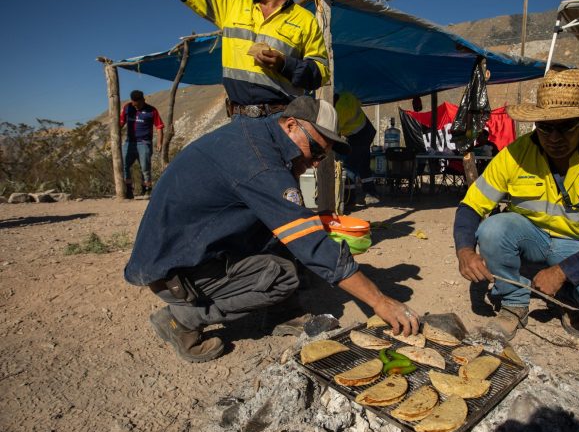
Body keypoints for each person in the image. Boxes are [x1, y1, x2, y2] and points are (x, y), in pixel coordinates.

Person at [124, 96, 420, 362]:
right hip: (174, 271)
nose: (315, 162)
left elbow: (288, 219)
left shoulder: (258, 139)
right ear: (290, 125)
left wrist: (316, 221)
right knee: (282, 274)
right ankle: (182, 319)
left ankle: (281, 313)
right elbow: (310, 244)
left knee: (292, 234)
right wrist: (379, 301)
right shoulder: (260, 162)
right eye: (315, 149)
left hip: (187, 250)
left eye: (322, 157)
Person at [453, 69, 579, 341]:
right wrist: (464, 251)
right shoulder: (517, 152)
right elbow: (471, 206)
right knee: (494, 228)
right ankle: (514, 303)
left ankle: (569, 296)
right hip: (533, 239)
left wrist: (563, 272)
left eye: (566, 126)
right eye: (546, 127)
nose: (555, 138)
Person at [164, 0, 329, 119]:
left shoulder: (306, 20)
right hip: (239, 119)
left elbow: (321, 72)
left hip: (282, 120)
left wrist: (285, 64)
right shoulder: (231, 4)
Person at [334, 92, 380, 206]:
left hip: (359, 135)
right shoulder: (345, 95)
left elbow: (335, 134)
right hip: (368, 129)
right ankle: (371, 193)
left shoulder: (339, 112)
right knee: (363, 163)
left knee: (349, 166)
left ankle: (349, 199)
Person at [120, 90, 164, 199]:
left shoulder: (152, 110)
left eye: (138, 104)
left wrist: (159, 142)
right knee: (123, 165)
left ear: (143, 100)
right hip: (129, 142)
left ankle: (147, 189)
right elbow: (120, 123)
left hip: (144, 142)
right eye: (134, 105)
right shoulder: (127, 108)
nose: (136, 107)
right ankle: (128, 189)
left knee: (145, 167)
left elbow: (159, 127)